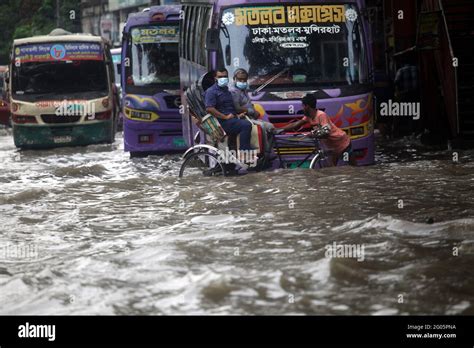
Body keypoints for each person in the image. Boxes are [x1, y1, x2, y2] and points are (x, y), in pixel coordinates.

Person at [281, 93, 357, 167]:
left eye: (303, 106)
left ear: (307, 106)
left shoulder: (321, 115)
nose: (302, 108)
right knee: (332, 168)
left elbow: (326, 132)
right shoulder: (308, 117)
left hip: (341, 142)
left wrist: (313, 135)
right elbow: (296, 124)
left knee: (353, 167)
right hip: (332, 146)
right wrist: (280, 129)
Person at [205, 67, 253, 161]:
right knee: (246, 125)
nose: (223, 78)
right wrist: (225, 117)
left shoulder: (226, 90)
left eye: (225, 76)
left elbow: (229, 108)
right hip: (221, 122)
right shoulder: (211, 91)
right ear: (215, 78)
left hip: (231, 120)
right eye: (220, 76)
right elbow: (209, 108)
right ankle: (244, 152)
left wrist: (237, 116)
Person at [229, 68, 275, 156]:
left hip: (251, 116)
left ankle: (269, 150)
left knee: (270, 127)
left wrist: (253, 110)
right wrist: (252, 111)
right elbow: (237, 108)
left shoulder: (244, 90)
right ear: (234, 79)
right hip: (244, 118)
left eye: (244, 80)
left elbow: (247, 104)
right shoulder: (234, 92)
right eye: (240, 79)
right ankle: (264, 153)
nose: (242, 81)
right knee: (261, 127)